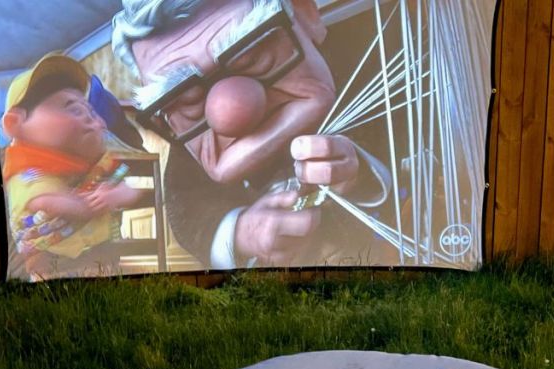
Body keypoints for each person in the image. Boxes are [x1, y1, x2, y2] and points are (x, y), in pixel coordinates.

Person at [111, 0, 397, 268]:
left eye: (253, 58)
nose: (231, 113)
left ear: (305, 14)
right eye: (187, 100)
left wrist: (363, 171)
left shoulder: (382, 52)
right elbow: (187, 207)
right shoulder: (186, 147)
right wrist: (242, 231)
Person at [1, 53, 152, 278]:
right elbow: (45, 200)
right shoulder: (27, 171)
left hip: (103, 260)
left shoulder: (94, 165)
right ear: (17, 123)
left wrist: (120, 194)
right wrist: (88, 206)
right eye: (72, 109)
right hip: (57, 271)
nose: (91, 119)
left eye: (91, 111)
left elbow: (128, 186)